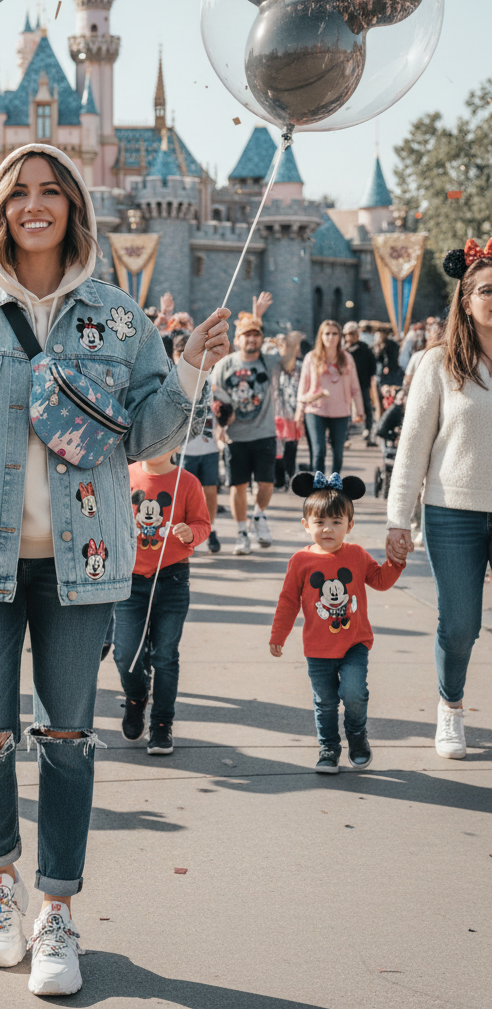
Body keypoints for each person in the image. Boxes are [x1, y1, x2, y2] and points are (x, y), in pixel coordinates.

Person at [0, 143, 230, 997]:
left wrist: (188, 367)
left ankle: (57, 908)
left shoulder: (117, 316)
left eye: (50, 191)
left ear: (74, 205)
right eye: (17, 193)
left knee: (68, 740)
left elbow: (151, 437)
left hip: (85, 559)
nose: (34, 205)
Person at [385, 238, 492, 761]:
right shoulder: (438, 363)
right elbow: (412, 446)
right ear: (466, 299)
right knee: (460, 623)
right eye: (488, 290)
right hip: (453, 511)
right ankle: (451, 709)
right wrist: (397, 518)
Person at [269, 472, 404, 773]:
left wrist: (395, 562)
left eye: (336, 522)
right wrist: (279, 634)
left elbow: (379, 581)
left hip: (354, 643)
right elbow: (289, 601)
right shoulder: (300, 562)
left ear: (349, 525)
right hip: (317, 649)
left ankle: (357, 736)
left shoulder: (356, 555)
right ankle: (328, 747)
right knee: (325, 703)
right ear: (306, 525)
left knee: (355, 693)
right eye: (319, 523)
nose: (328, 529)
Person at [112, 445, 210, 755]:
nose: (155, 445)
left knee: (165, 655)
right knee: (126, 655)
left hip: (172, 579)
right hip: (129, 581)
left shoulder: (188, 482)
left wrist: (190, 533)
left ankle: (162, 724)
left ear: (178, 444)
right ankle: (137, 696)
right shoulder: (123, 476)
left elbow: (203, 524)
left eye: (163, 438)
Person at [210, 297, 293, 557]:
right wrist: (221, 423)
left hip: (264, 433)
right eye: (246, 334)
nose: (251, 339)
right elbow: (214, 393)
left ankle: (258, 516)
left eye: (256, 335)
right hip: (236, 437)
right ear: (237, 339)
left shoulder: (268, 363)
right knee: (238, 487)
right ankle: (242, 532)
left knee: (266, 484)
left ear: (261, 339)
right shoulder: (225, 364)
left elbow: (290, 350)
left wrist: (260, 318)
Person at [296, 321, 364, 477]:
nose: (331, 337)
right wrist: (299, 411)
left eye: (334, 333)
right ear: (321, 336)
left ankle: (335, 483)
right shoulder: (311, 357)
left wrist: (359, 411)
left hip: (340, 411)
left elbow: (355, 387)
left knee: (338, 451)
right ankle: (318, 485)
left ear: (340, 336)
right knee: (319, 449)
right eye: (327, 333)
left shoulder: (346, 358)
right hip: (315, 409)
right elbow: (303, 387)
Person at [172, 333, 221, 552]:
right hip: (183, 449)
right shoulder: (171, 378)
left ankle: (210, 530)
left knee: (210, 491)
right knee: (183, 496)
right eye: (179, 353)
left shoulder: (208, 376)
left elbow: (220, 404)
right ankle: (185, 533)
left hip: (209, 445)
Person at [274, 330, 304, 489]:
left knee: (291, 448)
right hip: (276, 413)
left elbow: (300, 389)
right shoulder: (274, 365)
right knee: (277, 449)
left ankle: (291, 476)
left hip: (292, 414)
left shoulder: (299, 366)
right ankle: (279, 479)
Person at [343, 320, 377, 444]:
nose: (350, 336)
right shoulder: (343, 350)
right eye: (347, 334)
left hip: (362, 384)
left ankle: (369, 433)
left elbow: (372, 366)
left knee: (367, 408)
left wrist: (368, 379)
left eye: (352, 333)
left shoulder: (365, 349)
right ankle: (344, 435)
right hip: (346, 385)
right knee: (345, 409)